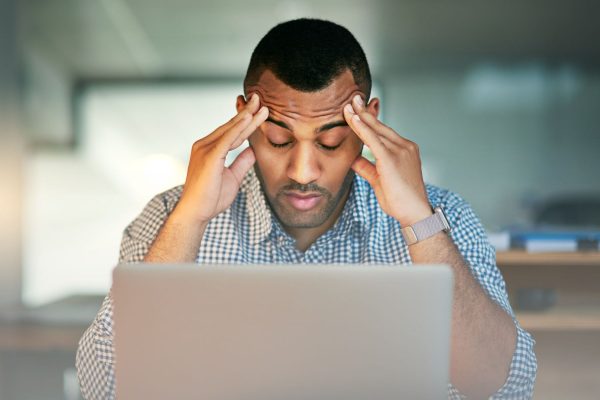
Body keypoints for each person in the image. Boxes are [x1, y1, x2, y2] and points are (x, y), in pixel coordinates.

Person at [76, 18, 536, 399]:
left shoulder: (442, 217)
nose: (303, 170)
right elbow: (106, 389)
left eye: (331, 141)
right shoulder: (169, 215)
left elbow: (505, 387)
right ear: (244, 117)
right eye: (278, 139)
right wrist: (189, 221)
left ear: (369, 121)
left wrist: (418, 221)